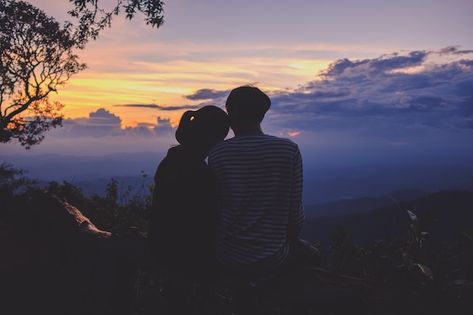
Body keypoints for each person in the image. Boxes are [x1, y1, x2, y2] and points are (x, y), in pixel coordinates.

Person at [208, 86, 304, 273]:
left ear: (233, 112)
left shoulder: (218, 153)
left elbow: (217, 208)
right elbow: (294, 214)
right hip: (272, 257)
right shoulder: (288, 150)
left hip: (227, 256)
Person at [147, 105, 229, 314]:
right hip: (189, 262)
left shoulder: (171, 162)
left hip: (166, 255)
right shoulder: (201, 173)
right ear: (213, 138)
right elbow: (205, 222)